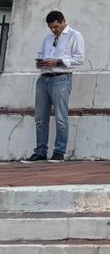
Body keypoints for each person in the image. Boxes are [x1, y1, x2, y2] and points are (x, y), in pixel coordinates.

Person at [25, 10, 85, 163]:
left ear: (64, 21)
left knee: (60, 117)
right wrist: (41, 62)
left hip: (61, 78)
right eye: (51, 27)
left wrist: (58, 62)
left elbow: (80, 58)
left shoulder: (75, 35)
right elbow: (41, 54)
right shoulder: (48, 38)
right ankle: (40, 152)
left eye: (56, 26)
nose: (54, 30)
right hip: (44, 78)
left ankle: (59, 152)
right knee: (40, 118)